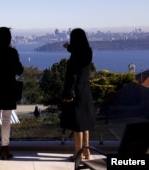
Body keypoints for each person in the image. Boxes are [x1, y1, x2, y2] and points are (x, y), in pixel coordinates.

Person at [0, 27, 24, 160]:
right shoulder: (12, 52)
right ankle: (5, 149)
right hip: (8, 87)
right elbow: (20, 70)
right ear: (9, 38)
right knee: (6, 119)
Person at [61, 28, 95, 161]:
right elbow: (78, 51)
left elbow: (72, 76)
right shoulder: (88, 52)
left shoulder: (75, 57)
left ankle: (77, 153)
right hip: (86, 89)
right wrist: (69, 48)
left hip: (76, 91)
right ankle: (86, 151)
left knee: (77, 124)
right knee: (85, 122)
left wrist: (68, 93)